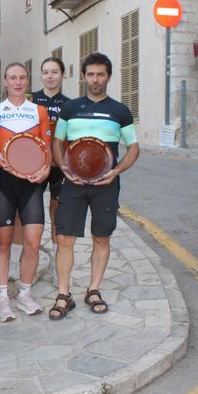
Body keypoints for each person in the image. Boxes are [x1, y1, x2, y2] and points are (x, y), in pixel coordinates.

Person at [50, 52, 140, 320]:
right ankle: (64, 294)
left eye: (101, 74)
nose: (95, 79)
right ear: (83, 77)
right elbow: (58, 141)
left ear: (108, 77)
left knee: (101, 237)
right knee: (65, 238)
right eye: (91, 74)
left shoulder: (120, 111)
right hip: (74, 182)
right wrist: (63, 167)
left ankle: (93, 289)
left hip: (105, 184)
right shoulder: (71, 108)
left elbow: (134, 148)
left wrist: (116, 172)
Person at [0, 63, 51, 322]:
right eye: (12, 77)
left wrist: (45, 172)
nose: (17, 82)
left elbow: (46, 150)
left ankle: (25, 293)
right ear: (4, 81)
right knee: (3, 243)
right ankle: (3, 298)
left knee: (33, 241)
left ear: (28, 80)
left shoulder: (39, 111)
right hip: (3, 180)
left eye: (22, 77)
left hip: (31, 183)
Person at [32, 57, 70, 246]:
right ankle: (28, 256)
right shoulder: (31, 100)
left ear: (62, 75)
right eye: (46, 72)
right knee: (31, 216)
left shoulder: (70, 104)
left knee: (58, 215)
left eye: (54, 72)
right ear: (40, 76)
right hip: (35, 166)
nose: (50, 76)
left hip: (59, 167)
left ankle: (57, 261)